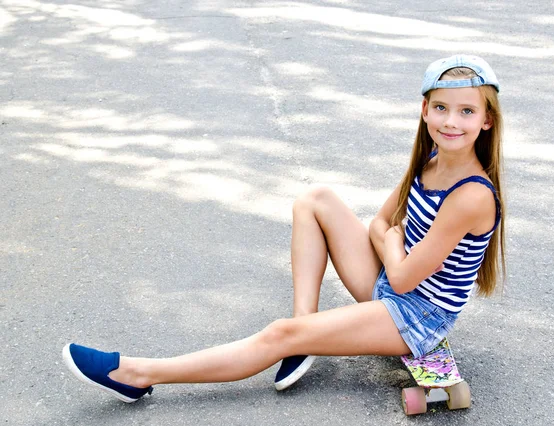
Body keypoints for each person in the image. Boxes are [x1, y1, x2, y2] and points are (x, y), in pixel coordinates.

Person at [62, 54, 505, 403]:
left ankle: (138, 374)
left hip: (418, 317)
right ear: (424, 110)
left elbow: (403, 268)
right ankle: (305, 330)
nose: (451, 121)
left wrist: (392, 245)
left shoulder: (471, 195)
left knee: (276, 334)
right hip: (394, 288)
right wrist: (389, 243)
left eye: (466, 111)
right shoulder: (430, 163)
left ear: (486, 120)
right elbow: (377, 223)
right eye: (442, 108)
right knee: (315, 200)